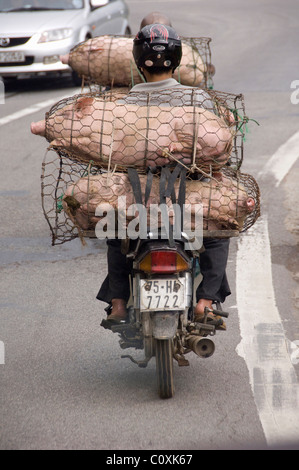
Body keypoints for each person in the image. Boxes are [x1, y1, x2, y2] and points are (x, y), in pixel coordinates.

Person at [96, 23, 230, 329]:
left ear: (138, 62)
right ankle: (206, 301)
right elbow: (215, 149)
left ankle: (117, 302)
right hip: (188, 199)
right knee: (219, 230)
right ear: (178, 60)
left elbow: (110, 155)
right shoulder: (199, 101)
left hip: (140, 202)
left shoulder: (123, 105)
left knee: (116, 232)